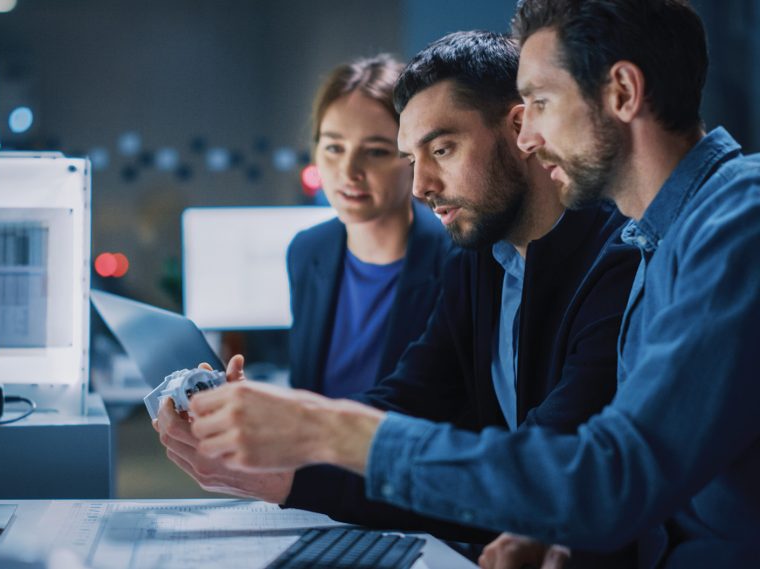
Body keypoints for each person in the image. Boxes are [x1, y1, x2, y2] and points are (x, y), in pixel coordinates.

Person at [181, 1, 760, 567]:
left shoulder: (736, 225)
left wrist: (325, 431)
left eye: (538, 103)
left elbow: (609, 478)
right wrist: (550, 533)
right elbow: (625, 484)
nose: (526, 135)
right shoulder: (658, 239)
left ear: (623, 94)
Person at [287, 54, 452, 398]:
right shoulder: (307, 250)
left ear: (413, 156)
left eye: (376, 151)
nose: (348, 172)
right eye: (333, 147)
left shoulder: (458, 261)